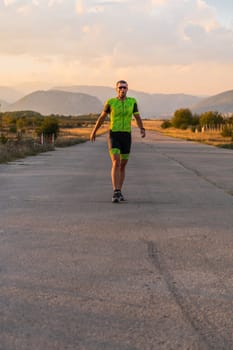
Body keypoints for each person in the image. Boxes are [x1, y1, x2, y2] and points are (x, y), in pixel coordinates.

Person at [90, 80, 146, 203]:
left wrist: (142, 128)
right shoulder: (111, 102)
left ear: (127, 89)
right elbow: (101, 118)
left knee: (123, 164)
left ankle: (119, 191)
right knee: (116, 161)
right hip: (113, 134)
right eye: (120, 87)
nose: (122, 89)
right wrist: (94, 131)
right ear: (116, 89)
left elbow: (137, 117)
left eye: (124, 87)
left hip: (126, 135)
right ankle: (115, 191)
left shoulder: (132, 102)